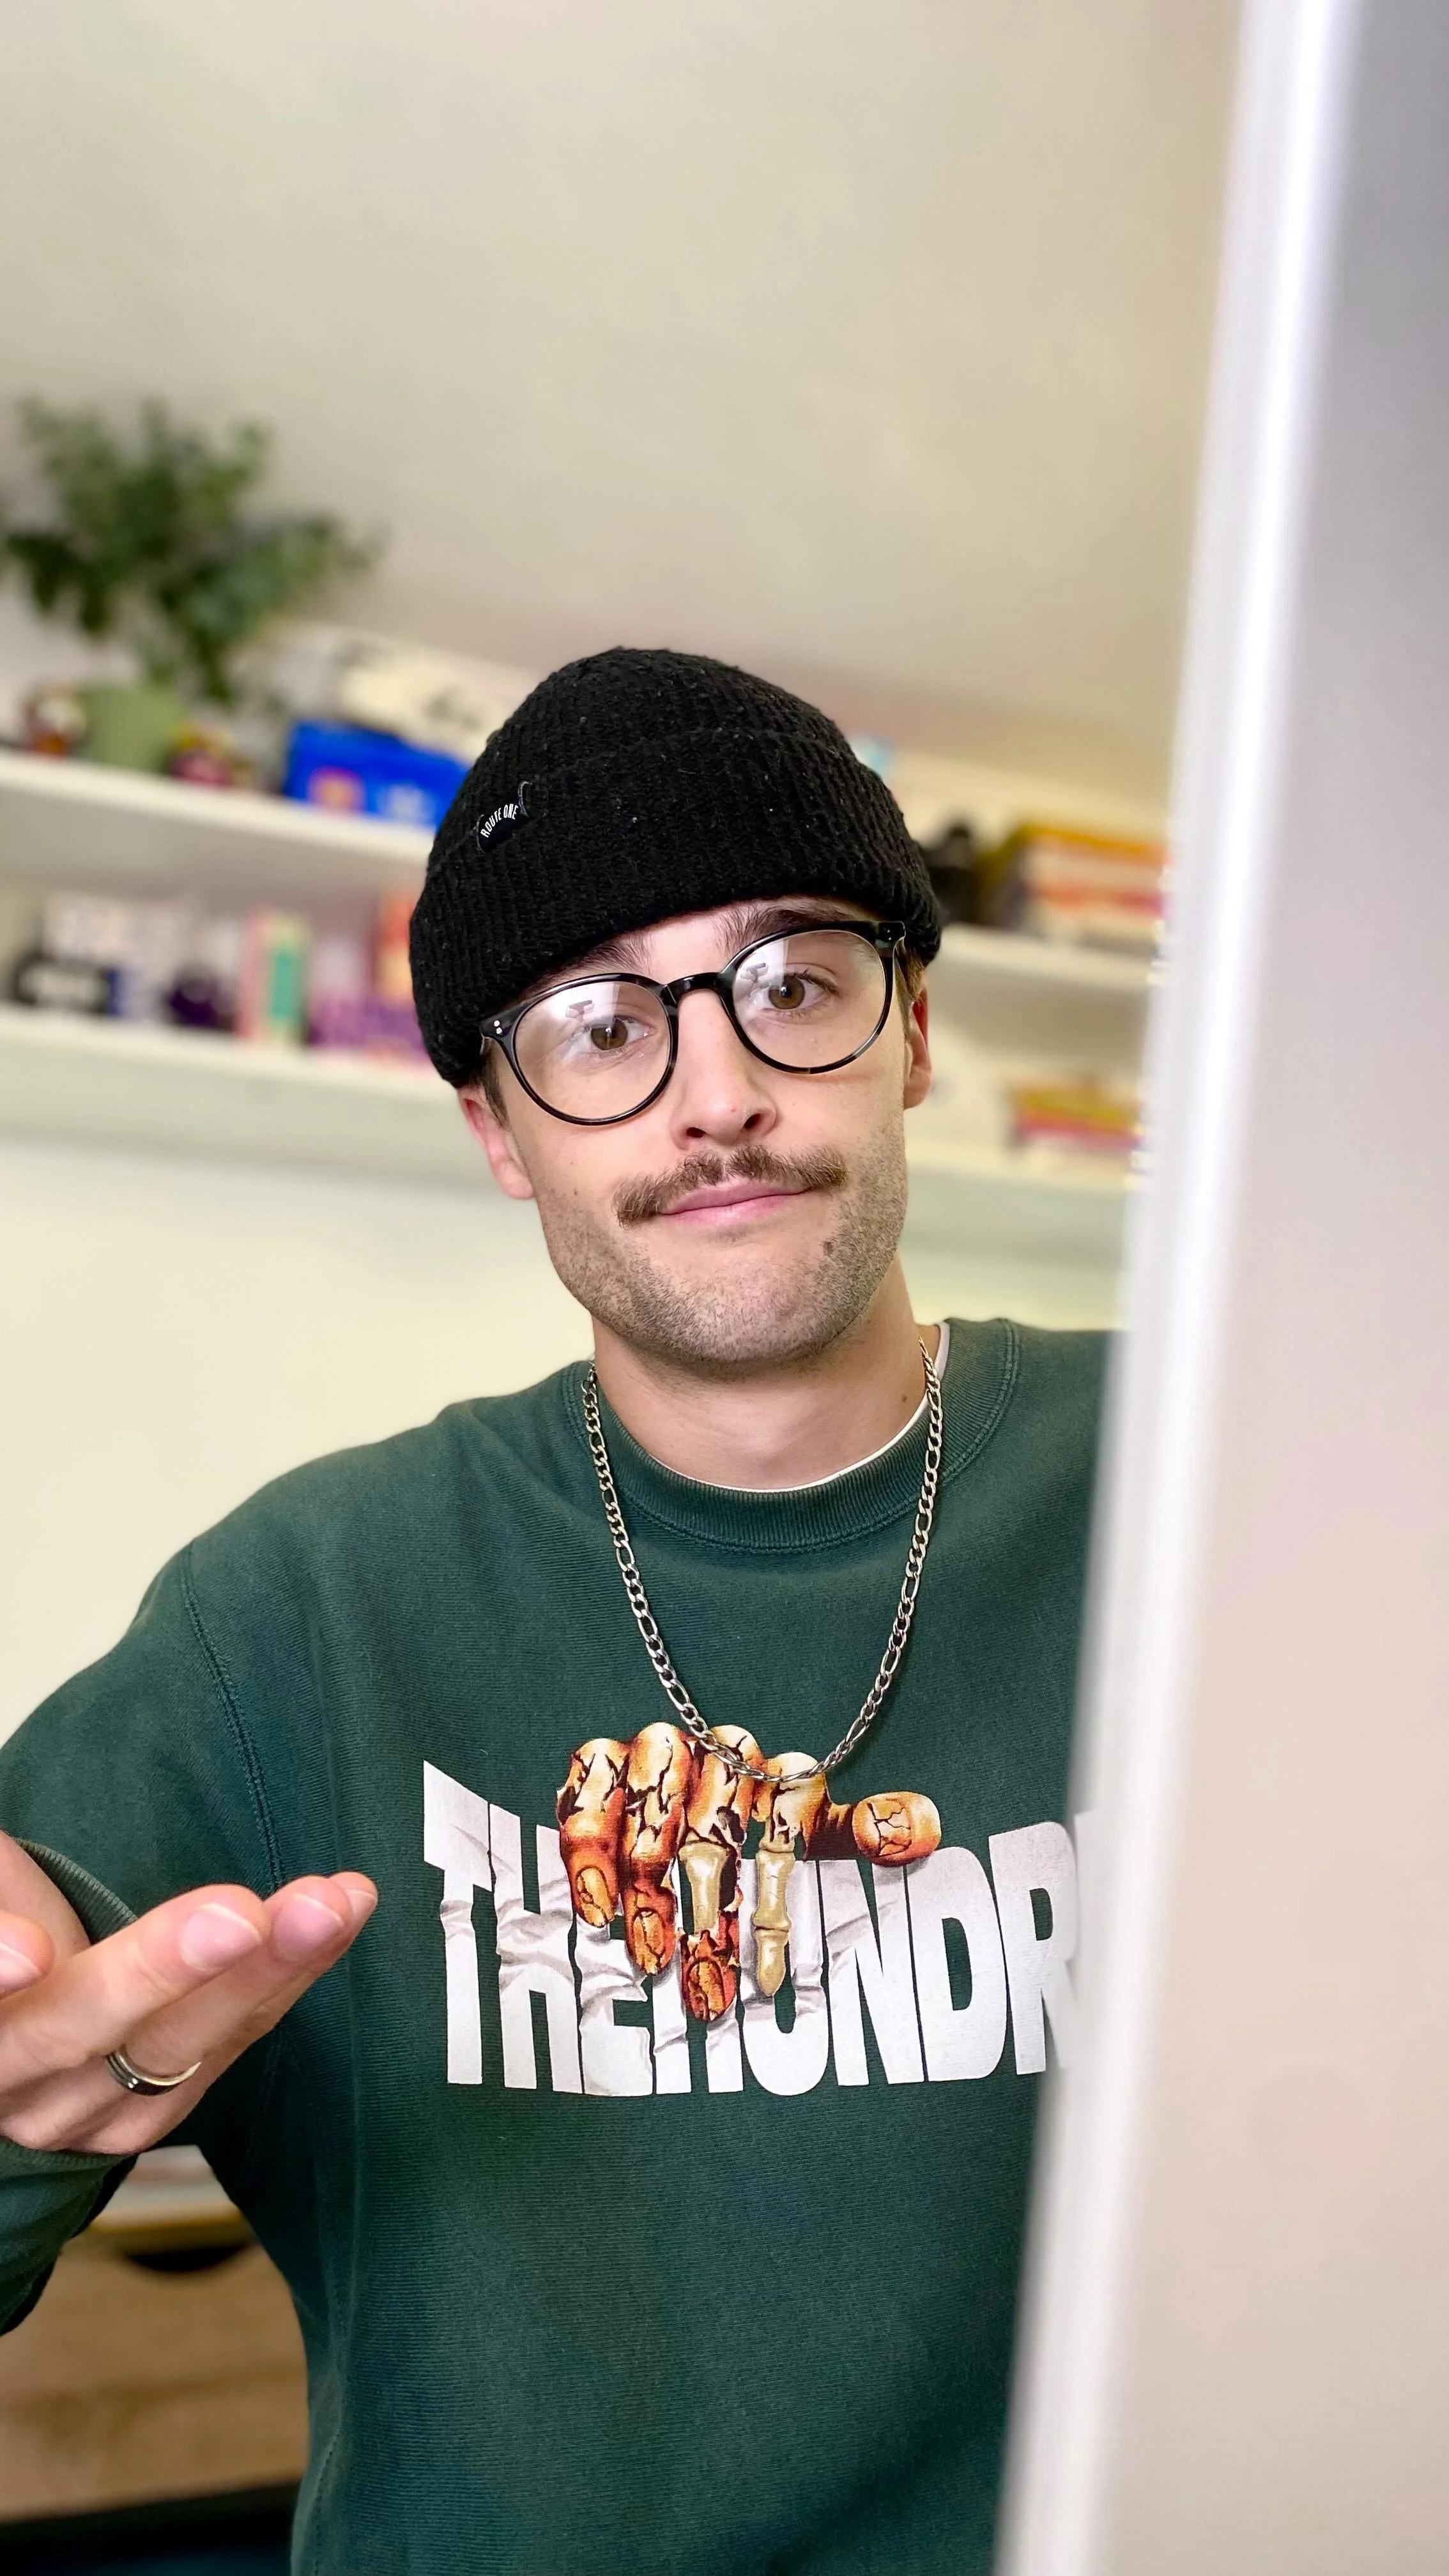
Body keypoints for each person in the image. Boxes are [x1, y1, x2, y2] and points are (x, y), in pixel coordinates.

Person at [0, 649, 1103, 2575]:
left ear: (914, 1032)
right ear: (502, 1131)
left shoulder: (1228, 1472)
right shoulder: (304, 1611)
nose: (718, 1097)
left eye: (793, 985)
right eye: (600, 1027)